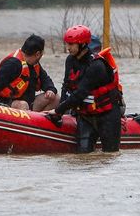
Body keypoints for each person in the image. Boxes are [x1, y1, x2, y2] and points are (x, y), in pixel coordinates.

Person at [45, 25, 122, 153]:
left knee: (110, 155)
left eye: (71, 44)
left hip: (107, 116)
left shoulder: (96, 65)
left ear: (82, 44)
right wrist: (61, 113)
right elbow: (66, 87)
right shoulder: (70, 60)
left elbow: (80, 93)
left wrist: (58, 110)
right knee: (83, 156)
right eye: (67, 43)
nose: (68, 47)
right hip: (85, 117)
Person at [0, 34, 59, 111]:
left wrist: (50, 89)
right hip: (6, 104)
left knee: (55, 98)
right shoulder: (13, 64)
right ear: (37, 54)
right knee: (22, 105)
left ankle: (39, 125)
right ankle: (26, 126)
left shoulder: (34, 64)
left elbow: (45, 79)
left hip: (29, 106)